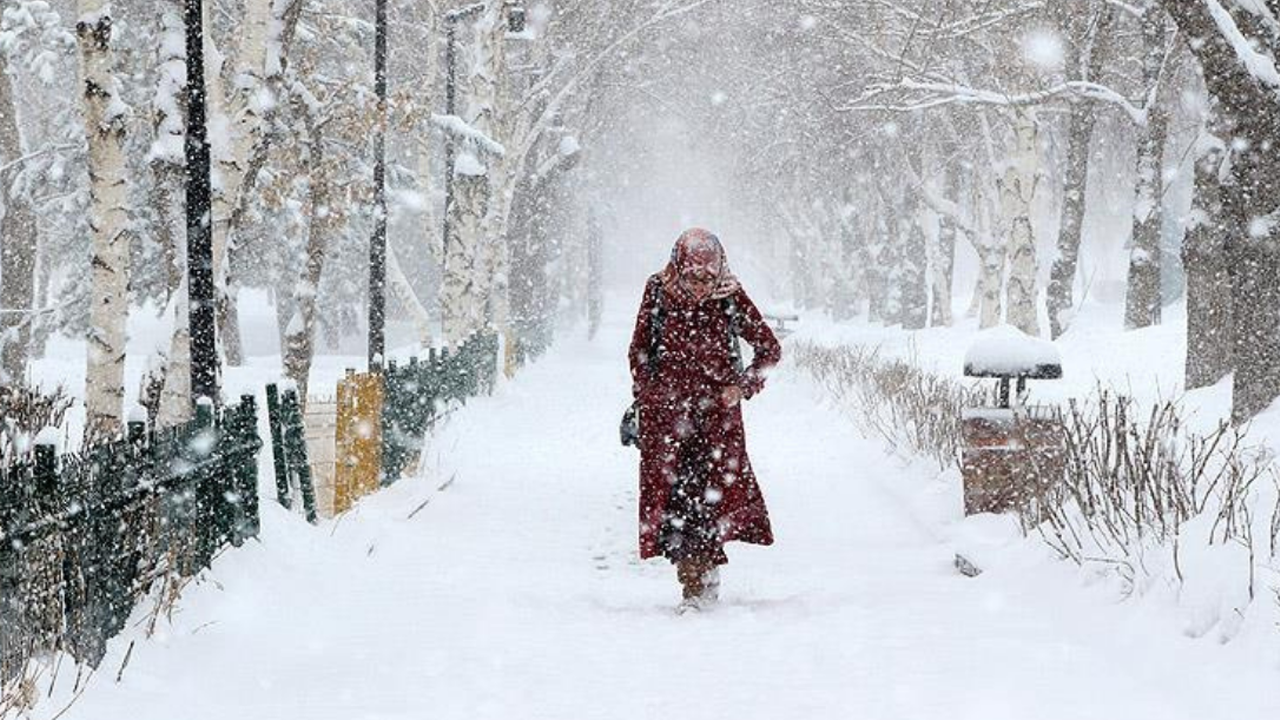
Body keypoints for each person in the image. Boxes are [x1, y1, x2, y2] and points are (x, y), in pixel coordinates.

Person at [628, 228, 782, 612]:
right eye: (692, 277)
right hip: (667, 421)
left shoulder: (729, 296)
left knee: (708, 501)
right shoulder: (658, 291)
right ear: (679, 267)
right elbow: (639, 350)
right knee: (675, 504)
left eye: (707, 278)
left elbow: (769, 350)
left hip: (717, 423)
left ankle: (701, 582)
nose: (699, 286)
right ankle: (692, 580)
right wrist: (650, 394)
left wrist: (742, 387)